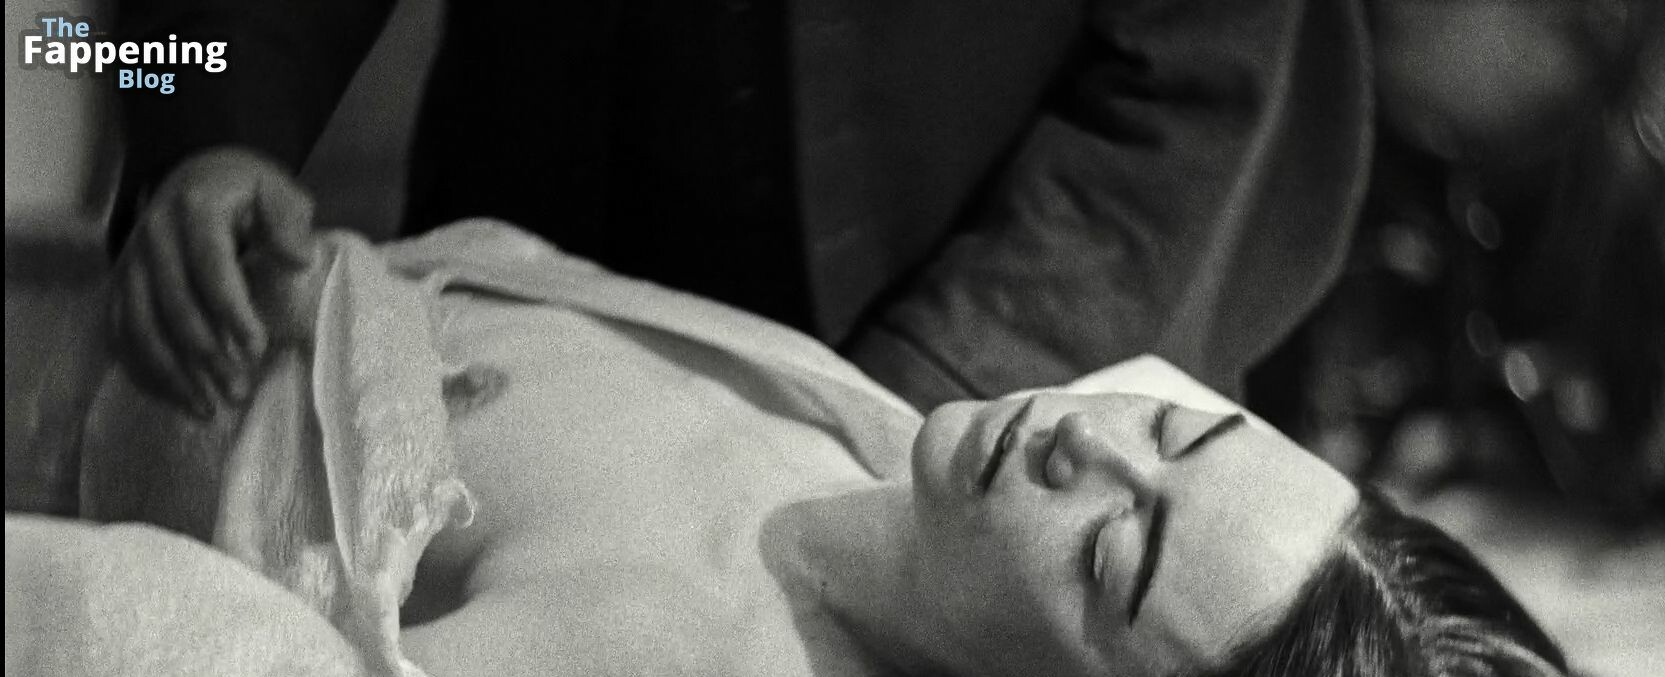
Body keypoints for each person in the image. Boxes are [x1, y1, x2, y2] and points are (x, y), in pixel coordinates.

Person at [113, 224, 1595, 677]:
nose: (1082, 442)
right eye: (1169, 430)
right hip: (197, 275)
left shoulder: (689, 655)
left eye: (1113, 551)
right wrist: (227, 187)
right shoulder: (879, 447)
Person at [104, 0, 1375, 419]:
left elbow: (1210, 82)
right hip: (516, 365)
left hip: (982, 403)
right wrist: (208, 134)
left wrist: (918, 411)